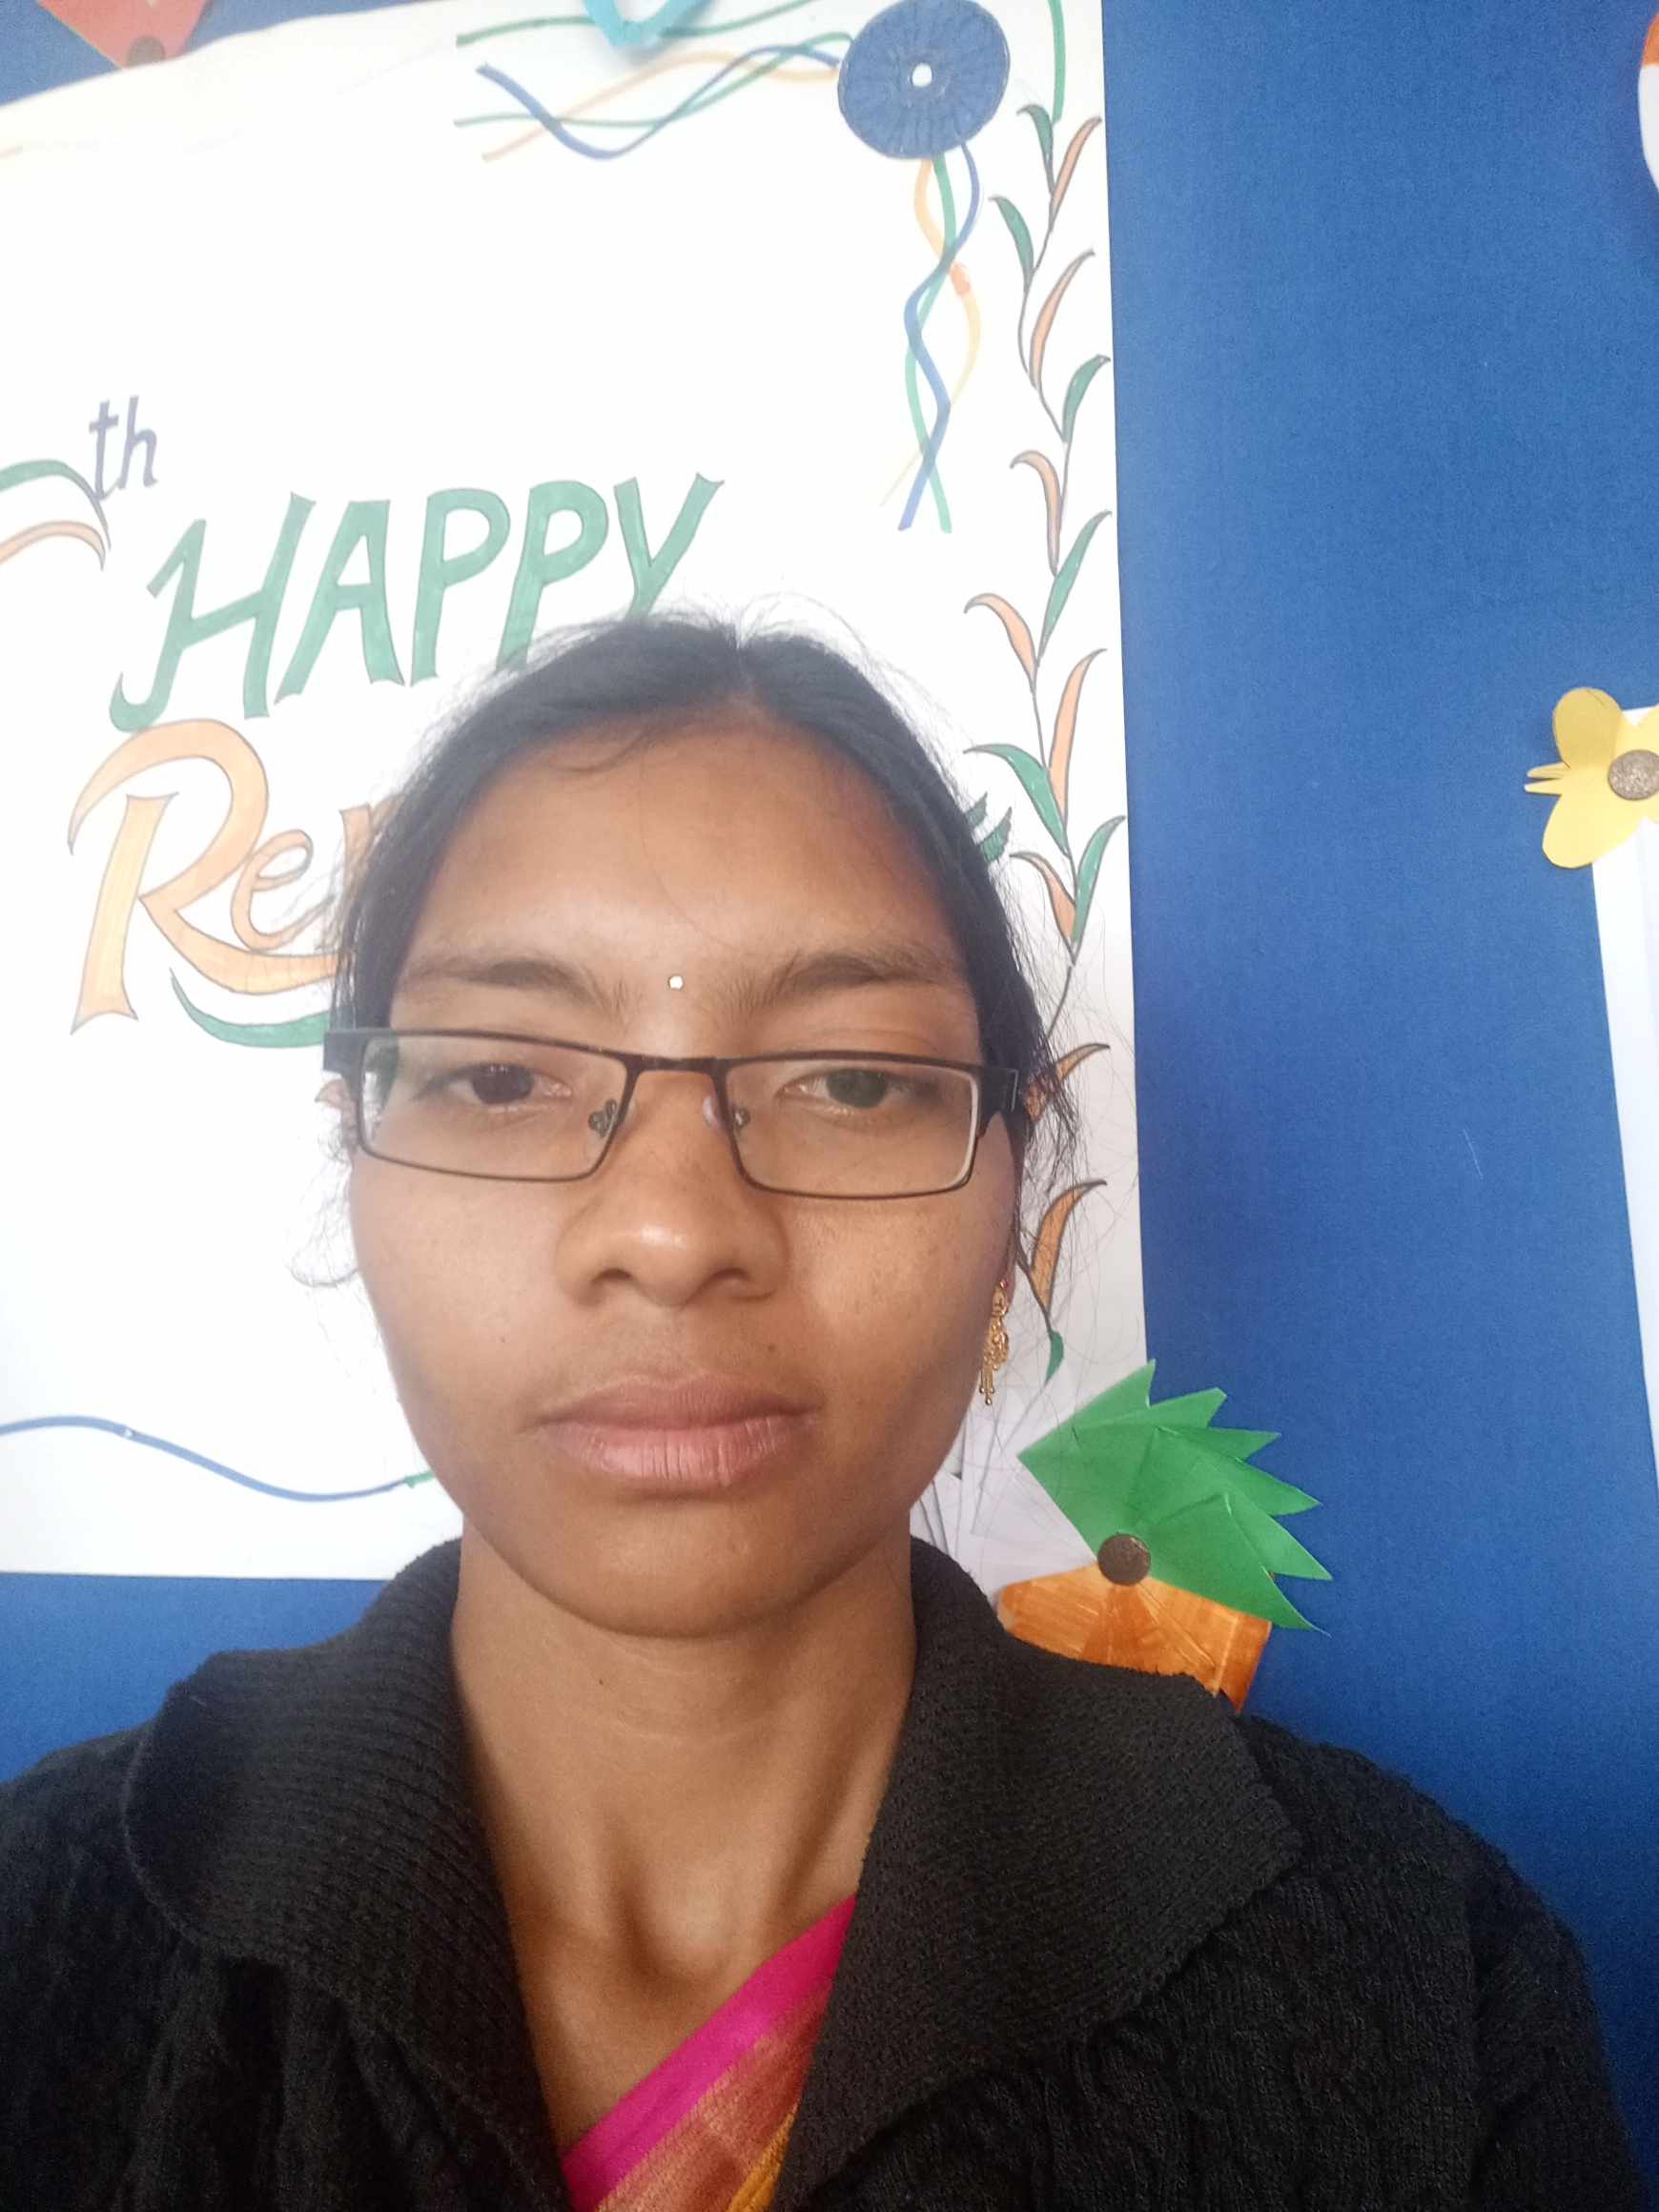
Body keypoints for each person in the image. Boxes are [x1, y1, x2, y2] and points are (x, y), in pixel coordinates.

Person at [0, 613, 1644, 2212]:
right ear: (353, 1155)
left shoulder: (1419, 1992)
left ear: (1013, 1187)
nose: (672, 1231)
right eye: (501, 1075)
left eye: (852, 1079)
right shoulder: (48, 1939)